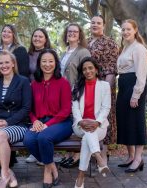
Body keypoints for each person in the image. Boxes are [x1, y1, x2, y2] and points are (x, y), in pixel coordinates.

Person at [23, 49, 73, 188]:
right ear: (39, 64)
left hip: (61, 122)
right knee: (28, 139)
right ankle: (52, 166)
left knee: (43, 138)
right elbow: (30, 109)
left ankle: (47, 171)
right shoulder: (34, 84)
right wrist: (35, 120)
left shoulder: (63, 83)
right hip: (40, 122)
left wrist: (48, 124)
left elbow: (65, 110)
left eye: (50, 61)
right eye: (44, 61)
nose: (47, 64)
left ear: (56, 63)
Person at [0, 50, 31, 188]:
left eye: (7, 62)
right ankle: (9, 173)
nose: (4, 65)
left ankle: (3, 177)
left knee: (0, 135)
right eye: (1, 63)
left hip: (18, 124)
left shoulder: (23, 81)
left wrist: (7, 122)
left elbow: (26, 108)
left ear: (13, 64)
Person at [72, 57, 111, 188]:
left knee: (87, 138)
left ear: (96, 69)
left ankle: (80, 177)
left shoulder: (104, 86)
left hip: (99, 126)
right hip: (80, 125)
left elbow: (106, 107)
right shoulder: (77, 86)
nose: (87, 71)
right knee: (88, 133)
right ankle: (99, 159)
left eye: (90, 68)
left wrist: (97, 122)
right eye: (84, 69)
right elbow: (75, 108)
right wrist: (81, 121)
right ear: (81, 72)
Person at [116, 19, 147, 173]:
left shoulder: (139, 48)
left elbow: (141, 75)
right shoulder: (125, 47)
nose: (125, 32)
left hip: (134, 85)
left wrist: (136, 95)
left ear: (135, 30)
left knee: (136, 121)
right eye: (123, 29)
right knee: (125, 120)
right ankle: (130, 157)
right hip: (123, 85)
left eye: (128, 29)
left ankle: (138, 159)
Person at [58, 23, 91, 169]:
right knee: (68, 122)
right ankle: (69, 154)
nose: (72, 33)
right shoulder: (64, 53)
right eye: (69, 31)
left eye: (75, 32)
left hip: (77, 93)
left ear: (80, 35)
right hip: (64, 94)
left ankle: (77, 155)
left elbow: (88, 74)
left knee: (77, 121)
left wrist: (80, 91)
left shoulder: (83, 52)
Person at [87, 15, 119, 162]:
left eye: (98, 23)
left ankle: (104, 152)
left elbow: (111, 69)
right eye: (93, 22)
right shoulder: (86, 41)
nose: (95, 25)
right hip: (87, 87)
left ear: (104, 25)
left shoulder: (109, 42)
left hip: (103, 86)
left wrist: (105, 90)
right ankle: (92, 150)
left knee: (103, 117)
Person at [25, 28, 52, 164]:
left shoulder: (49, 54)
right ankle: (34, 152)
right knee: (32, 116)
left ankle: (42, 150)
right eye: (35, 36)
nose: (37, 39)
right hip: (30, 89)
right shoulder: (27, 54)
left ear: (45, 39)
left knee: (44, 117)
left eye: (40, 36)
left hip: (45, 89)